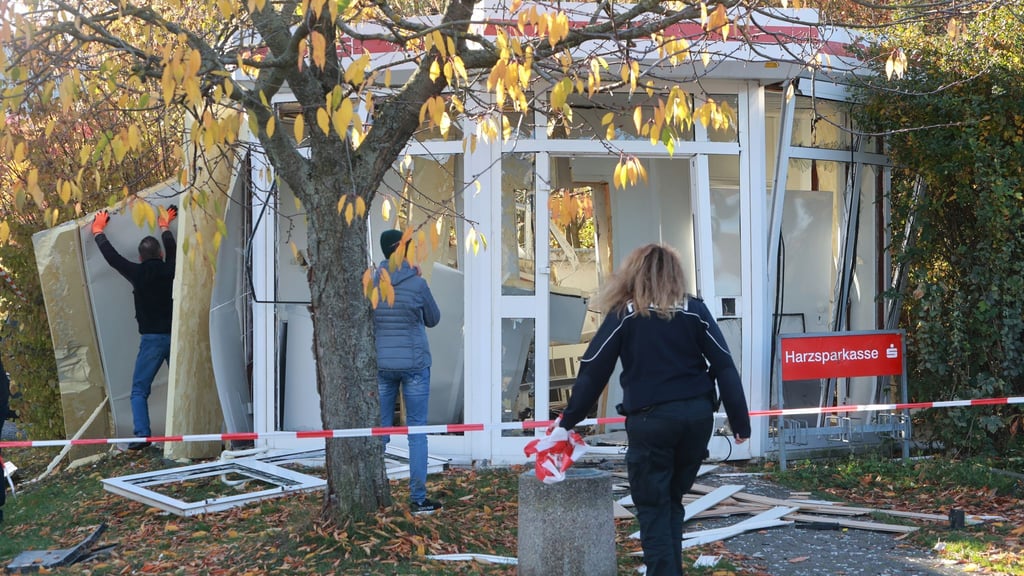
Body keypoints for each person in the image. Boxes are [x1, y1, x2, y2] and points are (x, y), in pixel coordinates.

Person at [553, 243, 751, 576]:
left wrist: (568, 420)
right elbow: (724, 365)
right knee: (671, 503)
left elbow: (593, 368)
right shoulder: (694, 310)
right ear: (675, 273)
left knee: (653, 508)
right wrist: (740, 423)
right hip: (696, 420)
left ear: (634, 272)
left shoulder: (626, 314)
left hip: (651, 421)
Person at [92, 205, 177, 451]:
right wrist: (164, 225)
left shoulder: (137, 273)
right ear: (159, 255)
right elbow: (171, 248)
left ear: (140, 258)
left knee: (139, 391)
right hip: (175, 336)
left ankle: (142, 436)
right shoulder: (170, 268)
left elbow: (113, 258)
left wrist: (98, 231)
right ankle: (193, 431)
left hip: (152, 340)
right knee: (182, 384)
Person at [373, 229, 442, 514]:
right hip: (414, 365)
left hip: (382, 365)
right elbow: (433, 319)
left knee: (378, 432)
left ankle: (376, 493)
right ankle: (418, 499)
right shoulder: (417, 283)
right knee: (417, 431)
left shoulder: (372, 281)